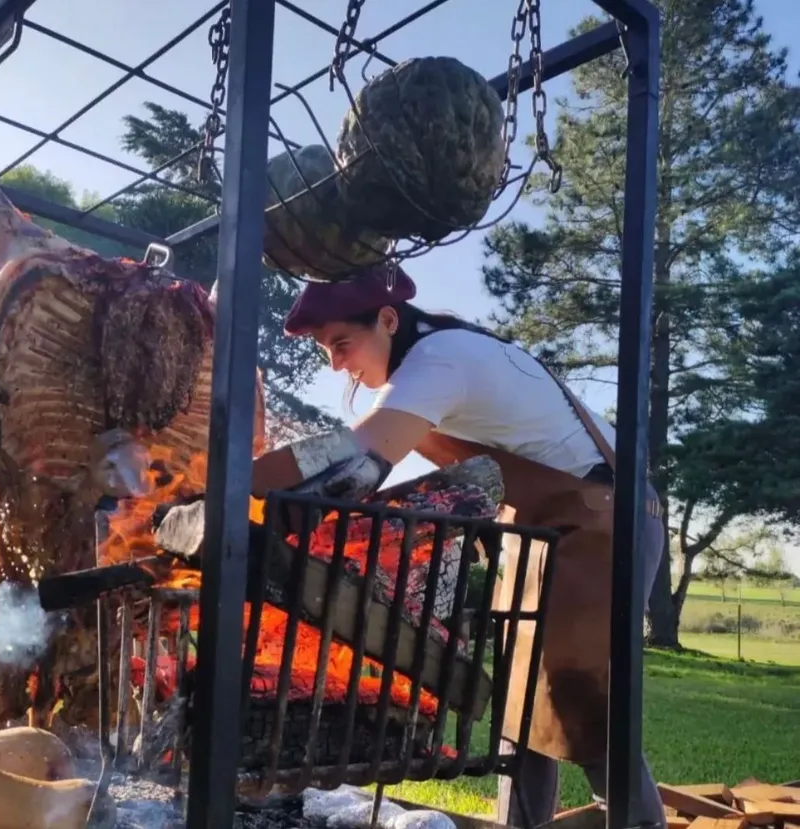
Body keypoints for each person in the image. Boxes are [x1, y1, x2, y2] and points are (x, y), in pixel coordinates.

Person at [251, 262, 667, 829]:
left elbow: (357, 462)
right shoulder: (428, 352)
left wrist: (239, 484)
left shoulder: (437, 361)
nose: (336, 363)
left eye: (342, 343)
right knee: (522, 712)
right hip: (547, 524)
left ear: (388, 319)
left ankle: (641, 823)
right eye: (327, 349)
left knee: (582, 707)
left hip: (604, 523)